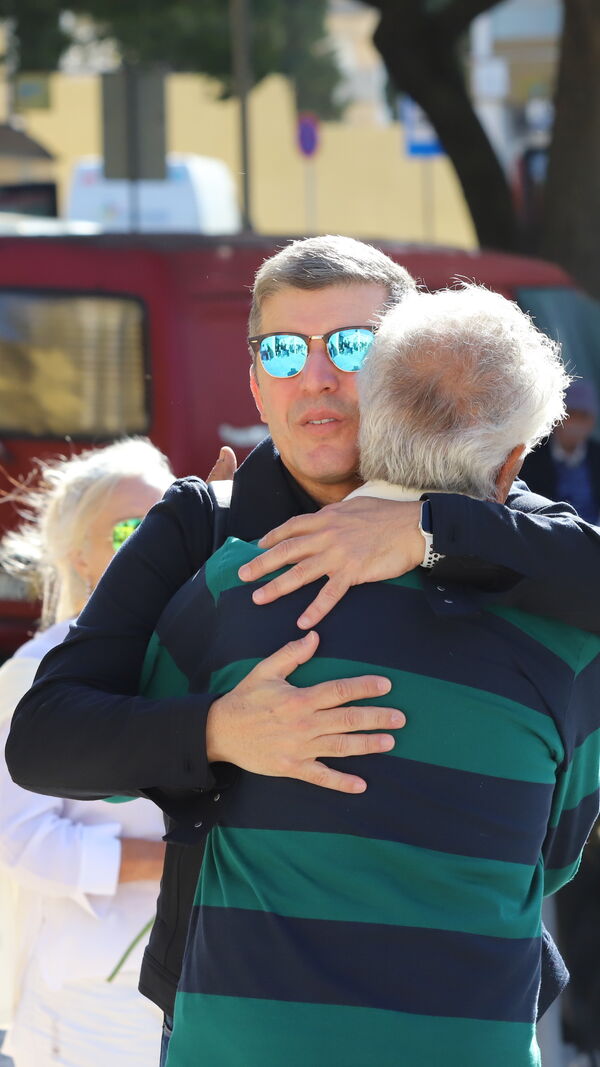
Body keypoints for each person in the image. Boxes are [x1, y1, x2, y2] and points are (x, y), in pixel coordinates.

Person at [5, 236, 600, 1057]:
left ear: (399, 368)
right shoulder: (204, 527)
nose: (315, 376)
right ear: (254, 381)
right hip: (239, 1008)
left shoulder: (494, 521)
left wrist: (428, 531)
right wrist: (220, 731)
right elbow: (44, 739)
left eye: (350, 347)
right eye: (283, 351)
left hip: (459, 1010)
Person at [0, 438, 174, 1067]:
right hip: (94, 987)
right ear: (78, 555)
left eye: (165, 519)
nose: (153, 543)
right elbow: (21, 842)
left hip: (198, 976)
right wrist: (170, 860)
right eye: (128, 529)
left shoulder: (200, 649)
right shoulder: (36, 670)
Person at [520, 378, 600, 523]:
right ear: (556, 418)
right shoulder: (530, 456)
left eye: (583, 416)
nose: (575, 422)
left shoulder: (596, 455)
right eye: (570, 414)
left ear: (592, 421)